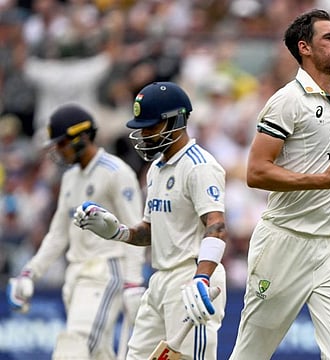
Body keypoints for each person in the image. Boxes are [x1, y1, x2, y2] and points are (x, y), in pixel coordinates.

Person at [228, 9, 330, 360]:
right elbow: (256, 172)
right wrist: (323, 180)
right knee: (252, 353)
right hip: (284, 242)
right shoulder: (286, 102)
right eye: (329, 38)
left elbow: (329, 171)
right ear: (304, 48)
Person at [73, 81, 228, 360]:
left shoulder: (199, 165)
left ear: (176, 121)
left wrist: (201, 278)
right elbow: (151, 230)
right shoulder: (156, 169)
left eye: (151, 126)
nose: (143, 134)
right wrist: (119, 232)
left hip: (191, 277)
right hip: (160, 279)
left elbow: (216, 226)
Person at [6, 103, 146, 360]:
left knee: (75, 347)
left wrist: (133, 282)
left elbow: (135, 229)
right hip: (76, 277)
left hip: (105, 272)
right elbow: (58, 234)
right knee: (97, 353)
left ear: (82, 137)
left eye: (62, 143)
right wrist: (30, 272)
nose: (57, 150)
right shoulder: (70, 178)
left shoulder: (116, 173)